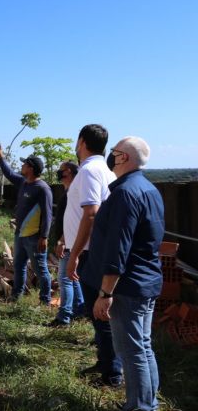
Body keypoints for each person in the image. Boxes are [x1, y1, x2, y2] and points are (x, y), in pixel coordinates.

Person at [83, 137, 164, 411]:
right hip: (145, 282)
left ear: (124, 158)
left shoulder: (124, 194)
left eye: (114, 152)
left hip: (127, 287)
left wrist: (105, 293)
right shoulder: (149, 189)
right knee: (142, 347)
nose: (110, 156)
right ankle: (147, 403)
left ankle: (140, 407)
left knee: (131, 352)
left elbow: (118, 248)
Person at [64, 124, 122, 387]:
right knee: (98, 314)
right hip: (96, 251)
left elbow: (91, 213)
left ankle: (112, 374)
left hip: (89, 253)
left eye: (77, 141)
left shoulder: (88, 171)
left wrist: (74, 253)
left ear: (82, 141)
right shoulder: (106, 171)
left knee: (99, 314)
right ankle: (106, 363)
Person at [0, 146, 53, 304]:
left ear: (31, 168)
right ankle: (15, 297)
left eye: (24, 164)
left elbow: (48, 214)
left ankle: (45, 301)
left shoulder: (42, 189)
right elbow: (9, 173)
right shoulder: (23, 182)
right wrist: (0, 158)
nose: (21, 166)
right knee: (19, 266)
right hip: (20, 234)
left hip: (34, 238)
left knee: (40, 271)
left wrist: (44, 236)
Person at [47, 160, 83, 327]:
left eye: (61, 170)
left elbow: (74, 221)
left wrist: (62, 240)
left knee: (64, 279)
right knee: (73, 278)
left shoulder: (73, 193)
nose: (59, 173)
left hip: (69, 242)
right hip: (70, 241)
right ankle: (80, 310)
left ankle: (64, 317)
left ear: (68, 172)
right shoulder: (70, 191)